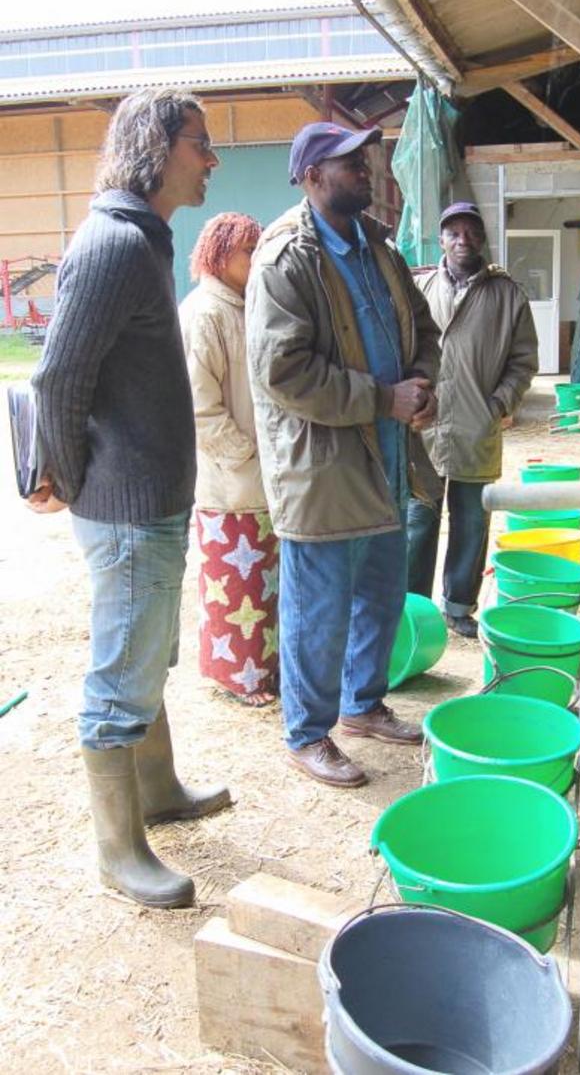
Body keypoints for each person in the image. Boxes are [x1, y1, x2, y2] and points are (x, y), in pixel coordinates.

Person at [28, 89, 230, 909]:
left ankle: (158, 792)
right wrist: (65, 478)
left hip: (150, 502)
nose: (211, 158)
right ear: (154, 148)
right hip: (126, 508)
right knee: (121, 675)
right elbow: (58, 375)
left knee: (148, 655)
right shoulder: (114, 244)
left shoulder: (141, 240)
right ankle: (120, 852)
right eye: (200, 142)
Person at [247, 121, 441, 789]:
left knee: (383, 593)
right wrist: (380, 398)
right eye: (349, 163)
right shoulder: (285, 259)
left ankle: (361, 704)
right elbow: (285, 372)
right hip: (324, 466)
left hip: (387, 452)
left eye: (366, 160)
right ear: (309, 177)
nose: (367, 171)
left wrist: (420, 386)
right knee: (318, 607)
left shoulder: (376, 247)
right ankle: (306, 732)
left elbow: (421, 326)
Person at [408, 201, 539, 638]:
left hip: (476, 427)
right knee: (418, 521)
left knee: (471, 520)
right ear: (441, 239)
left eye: (470, 232)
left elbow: (523, 361)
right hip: (424, 429)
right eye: (453, 232)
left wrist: (497, 405)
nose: (462, 240)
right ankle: (412, 608)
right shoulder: (420, 289)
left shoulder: (507, 295)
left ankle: (459, 605)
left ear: (482, 238)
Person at [179, 212, 278, 707]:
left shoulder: (243, 306)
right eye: (248, 251)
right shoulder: (206, 312)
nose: (256, 258)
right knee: (234, 586)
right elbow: (199, 406)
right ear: (220, 255)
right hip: (229, 482)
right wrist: (246, 455)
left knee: (262, 584)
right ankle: (238, 676)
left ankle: (259, 668)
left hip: (259, 477)